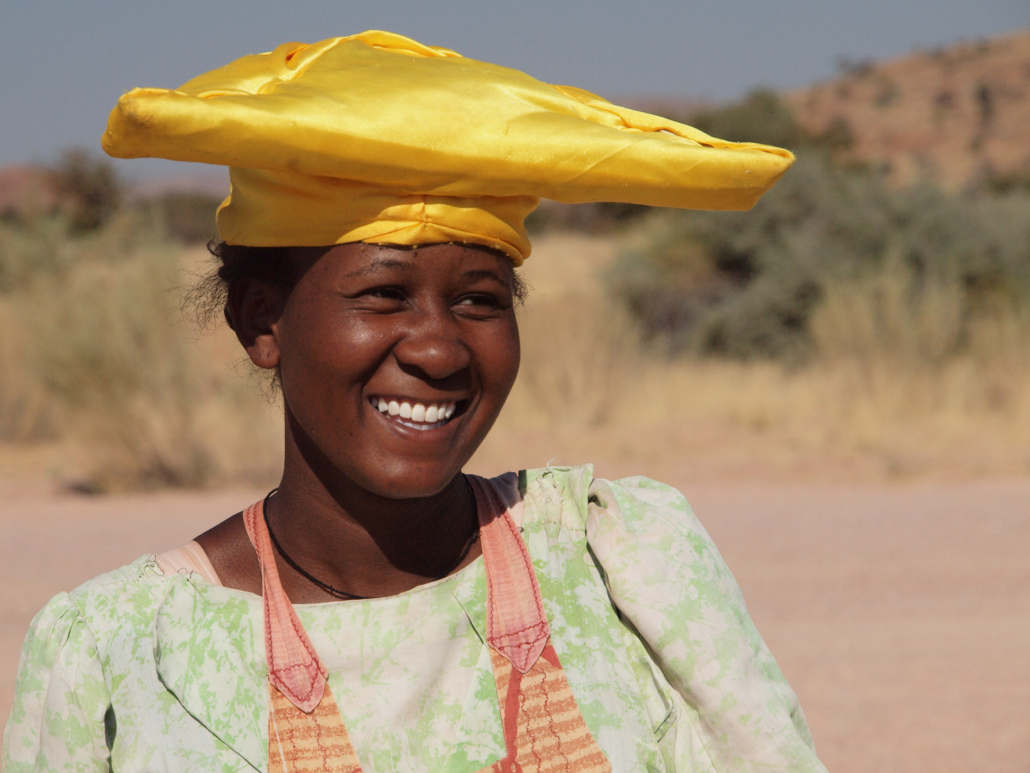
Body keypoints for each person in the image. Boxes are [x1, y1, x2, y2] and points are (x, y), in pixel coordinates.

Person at [2, 31, 826, 773]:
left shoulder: (620, 563)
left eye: (479, 299)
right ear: (263, 322)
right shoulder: (120, 651)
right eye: (385, 295)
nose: (438, 349)